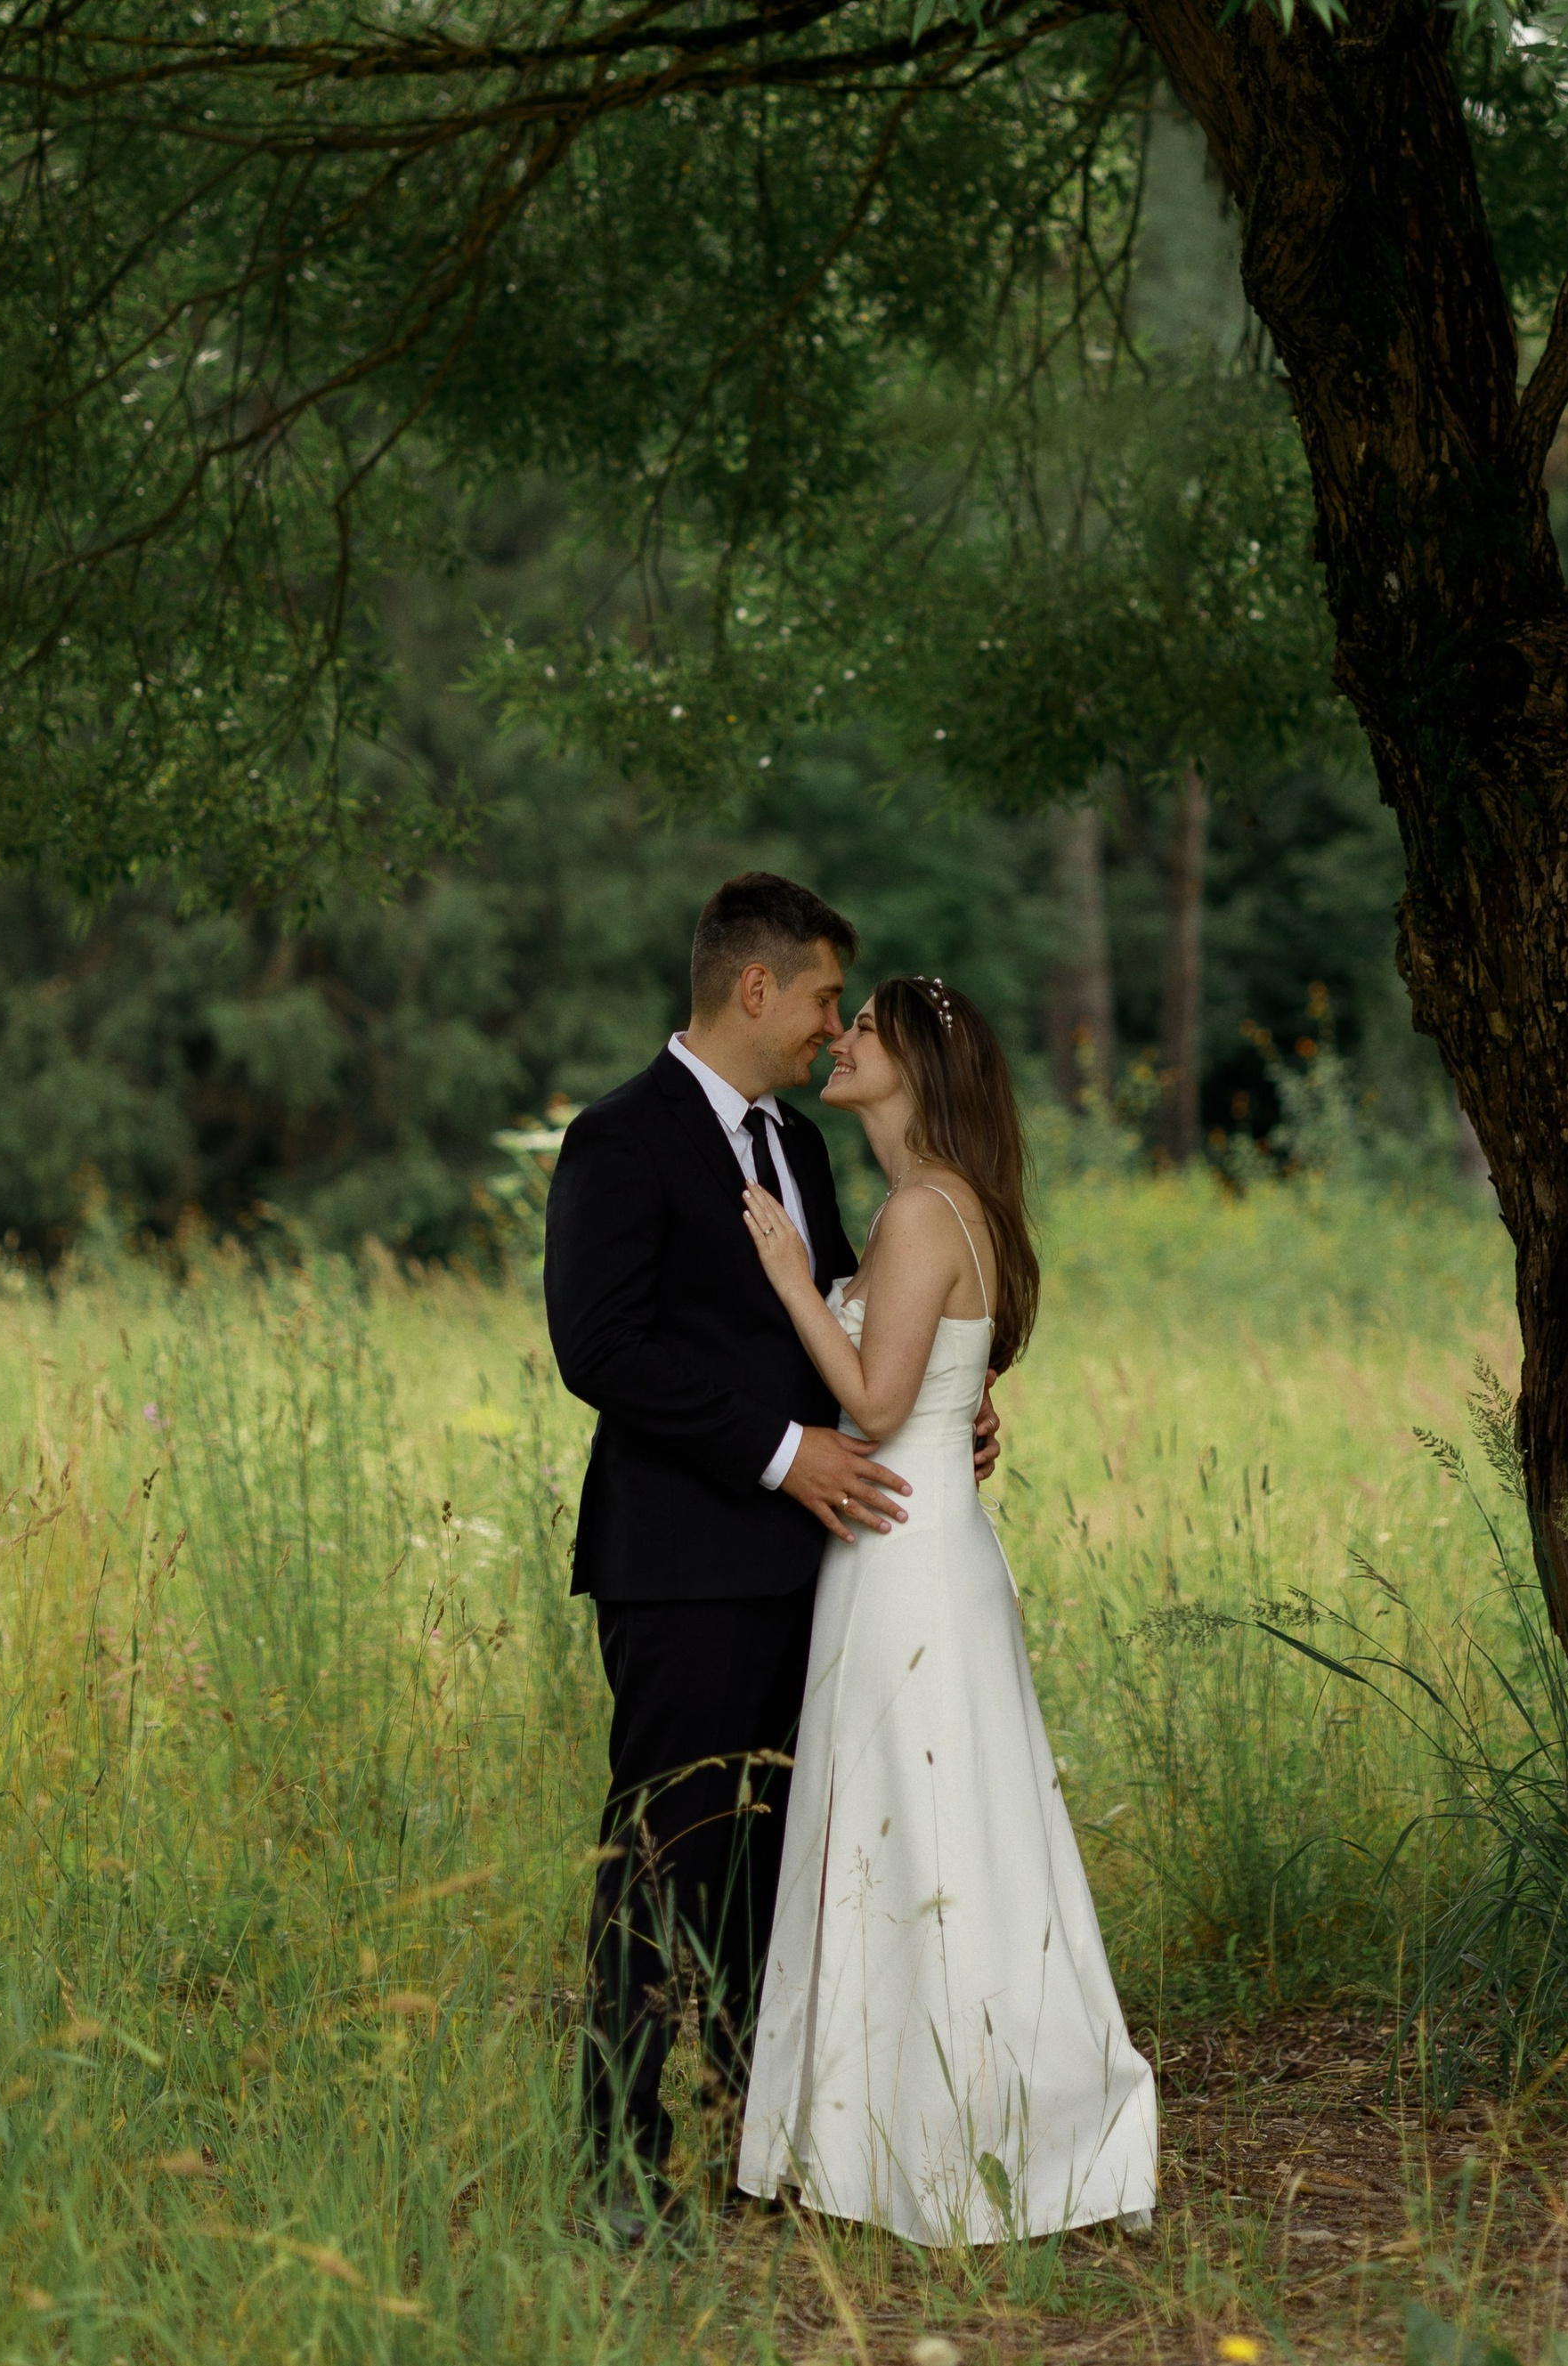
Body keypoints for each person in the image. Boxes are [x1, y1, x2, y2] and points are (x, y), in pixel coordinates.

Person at [543, 875, 1003, 2239]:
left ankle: (768, 2147)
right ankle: (620, 2169)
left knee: (782, 1874)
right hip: (679, 1568)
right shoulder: (618, 1139)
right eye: (818, 998)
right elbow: (601, 1347)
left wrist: (945, 1397)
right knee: (662, 1861)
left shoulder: (798, 1146)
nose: (825, 1025)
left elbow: (854, 1314)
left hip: (823, 1567)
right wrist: (778, 1450)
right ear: (755, 986)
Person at [735, 973, 1157, 2246]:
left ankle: (952, 2132)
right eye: (843, 1018)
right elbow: (934, 1385)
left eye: (864, 1027)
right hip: (917, 1542)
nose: (842, 1038)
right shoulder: (935, 1205)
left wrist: (791, 1273)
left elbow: (871, 1401)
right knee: (924, 1831)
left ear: (915, 1063)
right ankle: (894, 2130)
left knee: (921, 1834)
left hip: (904, 1554)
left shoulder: (921, 1207)